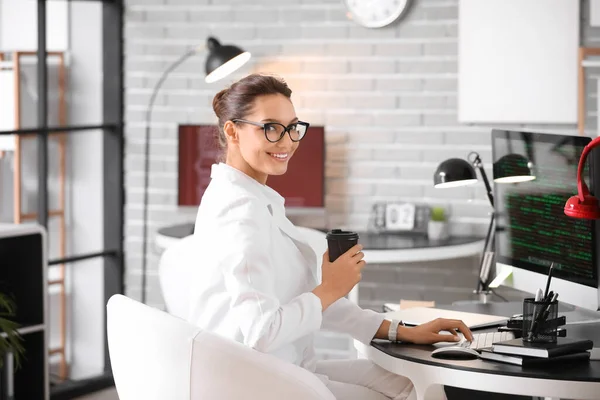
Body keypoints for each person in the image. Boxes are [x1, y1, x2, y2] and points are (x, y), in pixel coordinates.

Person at [186, 73, 473, 400]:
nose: (287, 141)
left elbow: (301, 297)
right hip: (253, 382)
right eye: (270, 127)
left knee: (411, 382)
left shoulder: (253, 197)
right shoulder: (241, 211)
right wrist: (331, 288)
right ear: (233, 131)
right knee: (413, 391)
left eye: (292, 127)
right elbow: (262, 332)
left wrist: (401, 331)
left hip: (277, 367)